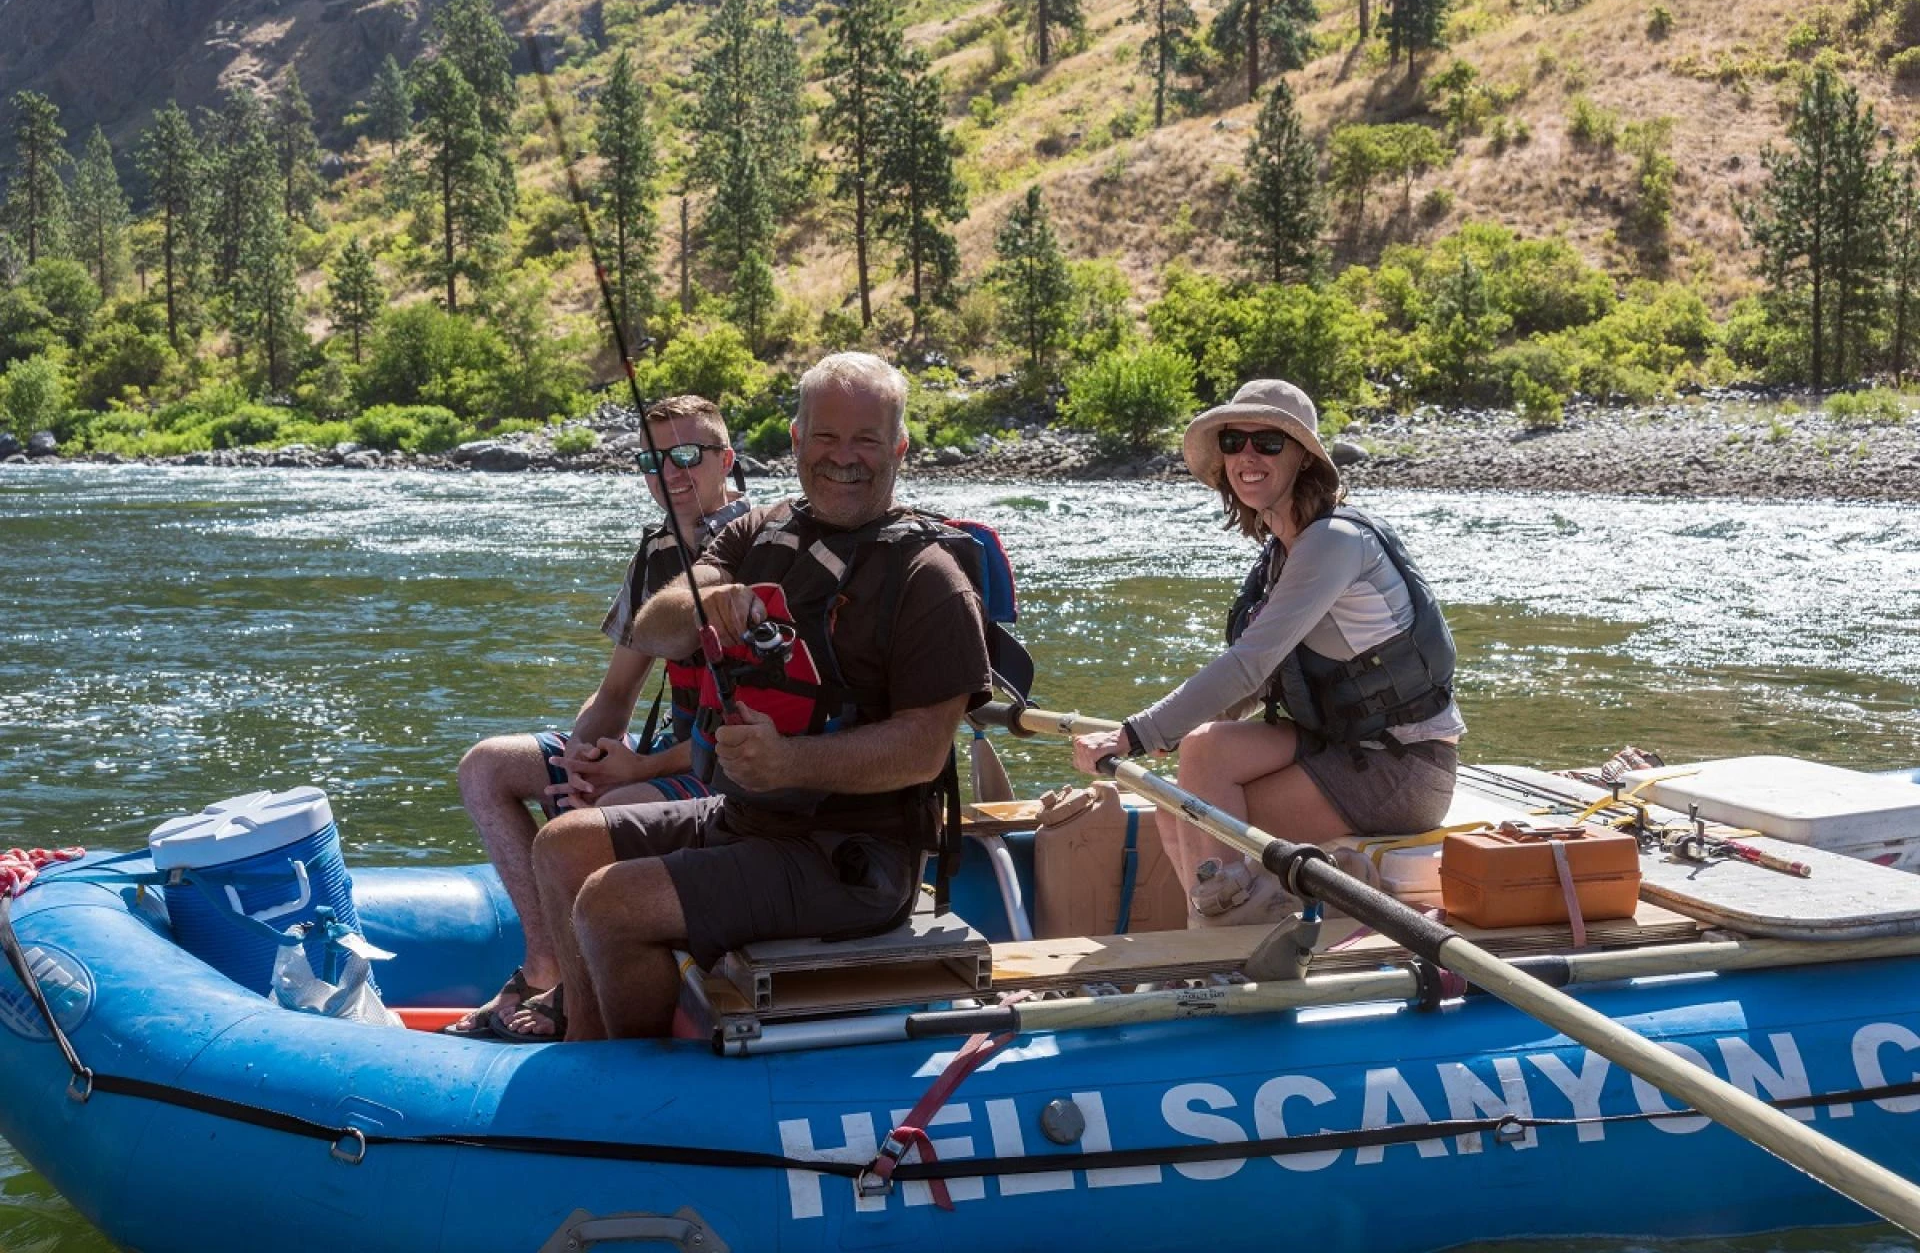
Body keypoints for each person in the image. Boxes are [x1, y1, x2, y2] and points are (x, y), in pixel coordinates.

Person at [525, 351, 991, 1041]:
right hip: (747, 818)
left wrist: (793, 763)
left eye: (866, 439)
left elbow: (922, 750)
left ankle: (645, 1094)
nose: (844, 458)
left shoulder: (929, 577)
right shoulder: (758, 532)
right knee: (563, 847)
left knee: (614, 903)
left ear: (899, 447)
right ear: (797, 441)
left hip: (853, 858)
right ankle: (584, 1050)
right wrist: (707, 602)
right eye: (826, 437)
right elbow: (656, 629)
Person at [1071, 379, 1465, 927]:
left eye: (1268, 443)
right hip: (1341, 748)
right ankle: (1246, 914)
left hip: (1403, 768)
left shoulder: (1335, 543)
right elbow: (1260, 684)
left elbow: (1248, 664)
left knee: (1194, 809)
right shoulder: (1284, 554)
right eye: (1233, 441)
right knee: (1198, 763)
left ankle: (1232, 930)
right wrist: (1168, 734)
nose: (1247, 457)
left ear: (1304, 458)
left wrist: (1135, 734)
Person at [446, 394, 751, 1038]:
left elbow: (743, 729)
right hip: (662, 753)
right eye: (654, 459)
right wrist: (585, 759)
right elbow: (615, 695)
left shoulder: (762, 549)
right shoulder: (656, 556)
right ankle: (545, 967)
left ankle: (580, 1011)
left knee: (596, 819)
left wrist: (634, 768)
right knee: (487, 768)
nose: (670, 472)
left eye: (687, 455)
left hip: (723, 770)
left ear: (726, 459)